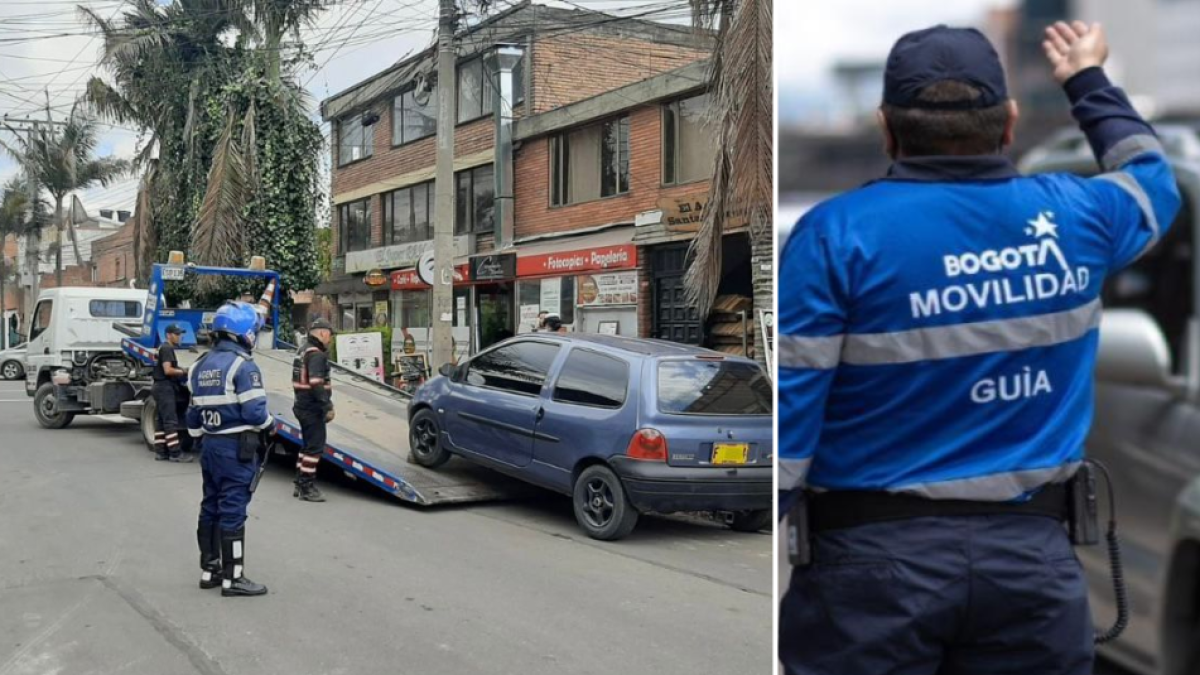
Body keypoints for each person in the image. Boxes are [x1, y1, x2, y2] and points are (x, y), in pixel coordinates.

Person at [777, 22, 1180, 675]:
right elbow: (1153, 179)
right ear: (1011, 121)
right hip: (1031, 572)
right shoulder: (1079, 217)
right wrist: (1087, 79)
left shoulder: (834, 236)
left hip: (869, 580)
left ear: (886, 127)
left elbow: (787, 434)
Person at [186, 301, 273, 597]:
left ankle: (210, 569)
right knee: (233, 511)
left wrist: (204, 435)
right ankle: (233, 578)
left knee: (210, 505)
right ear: (245, 332)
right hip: (236, 449)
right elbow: (256, 414)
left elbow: (192, 416)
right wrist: (271, 424)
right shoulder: (243, 365)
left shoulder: (198, 366)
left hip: (210, 446)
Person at [291, 317, 335, 503]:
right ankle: (307, 487)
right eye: (330, 336)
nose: (330, 340)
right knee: (315, 448)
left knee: (307, 446)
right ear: (323, 333)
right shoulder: (316, 354)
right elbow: (316, 382)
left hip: (301, 404)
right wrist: (327, 406)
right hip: (312, 407)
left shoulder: (303, 350)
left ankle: (299, 483)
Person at [152, 324, 193, 462]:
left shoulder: (163, 348)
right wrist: (184, 371)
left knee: (160, 420)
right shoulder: (167, 348)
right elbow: (168, 370)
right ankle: (175, 453)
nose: (179, 336)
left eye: (180, 334)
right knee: (170, 421)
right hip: (165, 387)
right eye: (177, 334)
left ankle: (161, 451)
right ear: (168, 335)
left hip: (159, 387)